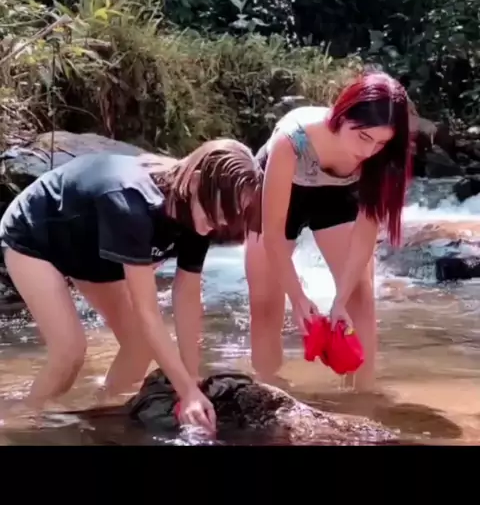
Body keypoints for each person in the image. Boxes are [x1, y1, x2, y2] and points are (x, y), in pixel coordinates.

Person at [0, 138, 263, 431]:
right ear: (195, 182)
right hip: (35, 236)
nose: (223, 222)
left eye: (233, 214)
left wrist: (190, 380)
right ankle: (22, 423)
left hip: (91, 249)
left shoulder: (199, 217)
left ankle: (101, 415)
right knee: (69, 351)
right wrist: (186, 392)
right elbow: (147, 312)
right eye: (222, 211)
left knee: (139, 344)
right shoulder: (131, 204)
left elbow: (187, 297)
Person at [245, 71, 411, 392]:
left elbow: (364, 237)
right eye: (363, 137)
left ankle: (362, 395)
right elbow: (272, 233)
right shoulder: (292, 140)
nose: (368, 151)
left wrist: (339, 301)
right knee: (265, 301)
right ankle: (269, 390)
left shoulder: (382, 158)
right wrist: (297, 296)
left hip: (337, 196)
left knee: (360, 296)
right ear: (341, 115)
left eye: (380, 143)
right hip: (282, 189)